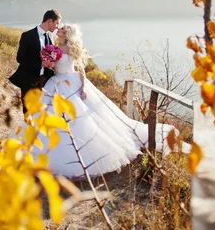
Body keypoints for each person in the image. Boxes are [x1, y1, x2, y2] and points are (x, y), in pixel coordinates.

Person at [11, 23, 190, 179]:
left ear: (68, 34)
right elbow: (51, 66)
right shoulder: (54, 47)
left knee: (77, 121)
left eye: (63, 28)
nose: (60, 29)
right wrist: (48, 64)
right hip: (55, 84)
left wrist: (82, 88)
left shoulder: (73, 49)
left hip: (70, 84)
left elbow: (80, 69)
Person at [9, 9, 62, 114]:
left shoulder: (48, 37)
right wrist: (41, 63)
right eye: (57, 23)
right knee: (28, 113)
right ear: (50, 21)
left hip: (44, 82)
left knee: (41, 113)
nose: (57, 27)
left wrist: (50, 64)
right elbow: (20, 58)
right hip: (29, 81)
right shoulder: (27, 36)